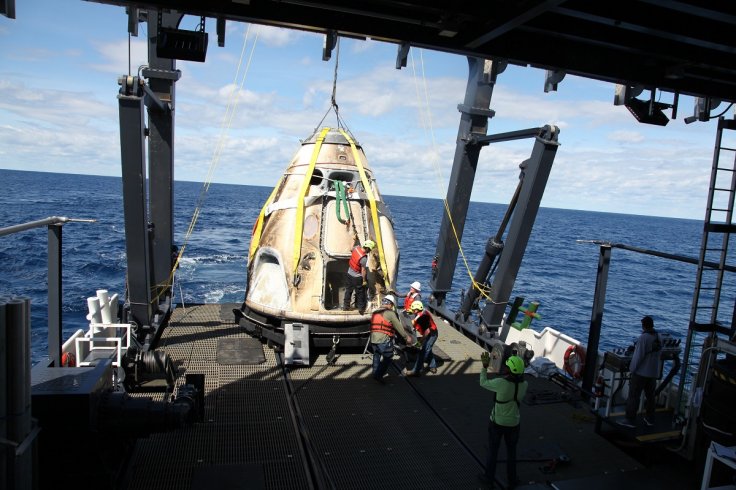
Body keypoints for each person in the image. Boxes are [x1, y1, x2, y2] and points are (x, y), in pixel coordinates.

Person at [479, 353, 528, 489]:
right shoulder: (525, 385)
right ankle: (512, 480)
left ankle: (488, 478)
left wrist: (484, 367)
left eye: (507, 366)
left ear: (510, 370)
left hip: (497, 423)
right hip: (514, 424)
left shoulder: (500, 383)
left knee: (493, 451)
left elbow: (483, 382)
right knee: (511, 453)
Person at [620, 315, 661, 428]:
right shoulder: (658, 336)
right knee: (651, 396)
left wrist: (632, 369)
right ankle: (650, 418)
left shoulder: (644, 338)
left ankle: (630, 419)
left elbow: (638, 357)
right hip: (653, 373)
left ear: (643, 326)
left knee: (634, 396)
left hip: (641, 373)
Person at [370, 294, 413, 382]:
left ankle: (375, 372)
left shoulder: (375, 312)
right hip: (383, 339)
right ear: (390, 304)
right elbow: (399, 327)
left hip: (373, 339)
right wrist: (406, 337)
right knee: (388, 357)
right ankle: (378, 375)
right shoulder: (390, 313)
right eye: (392, 305)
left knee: (376, 355)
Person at [403, 301, 438, 376]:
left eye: (413, 309)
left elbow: (427, 331)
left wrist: (420, 341)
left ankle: (416, 371)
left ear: (416, 309)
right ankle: (433, 366)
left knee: (423, 352)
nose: (412, 311)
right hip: (430, 333)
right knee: (428, 349)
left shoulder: (423, 317)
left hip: (431, 335)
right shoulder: (423, 312)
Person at [343, 240, 375, 313]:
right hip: (357, 277)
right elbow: (363, 271)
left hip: (349, 274)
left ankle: (346, 307)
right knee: (360, 293)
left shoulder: (356, 248)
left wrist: (354, 240)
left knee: (348, 291)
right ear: (367, 248)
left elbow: (351, 249)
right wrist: (364, 280)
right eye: (369, 249)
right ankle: (361, 309)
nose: (369, 251)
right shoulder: (363, 258)